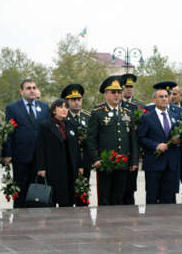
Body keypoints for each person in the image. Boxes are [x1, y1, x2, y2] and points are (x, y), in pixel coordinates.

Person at [87, 76, 138, 205]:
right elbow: (91, 138)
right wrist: (95, 158)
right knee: (104, 197)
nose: (117, 95)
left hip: (123, 162)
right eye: (113, 92)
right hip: (105, 163)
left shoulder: (127, 112)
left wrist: (134, 160)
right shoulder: (97, 113)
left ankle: (117, 223)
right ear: (105, 94)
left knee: (119, 196)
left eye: (119, 92)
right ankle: (103, 223)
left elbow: (132, 138)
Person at [3, 79, 50, 208]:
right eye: (28, 88)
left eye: (34, 88)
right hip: (21, 156)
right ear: (21, 91)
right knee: (21, 190)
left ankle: (38, 220)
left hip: (40, 157)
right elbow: (8, 132)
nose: (32, 90)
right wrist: (7, 154)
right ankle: (19, 220)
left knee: (39, 191)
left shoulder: (44, 107)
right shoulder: (12, 108)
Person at [36, 99, 83, 207]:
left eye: (66, 107)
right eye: (61, 107)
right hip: (52, 167)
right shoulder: (45, 126)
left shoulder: (71, 125)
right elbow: (40, 148)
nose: (64, 109)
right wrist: (41, 167)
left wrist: (80, 165)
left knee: (67, 198)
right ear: (53, 110)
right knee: (53, 197)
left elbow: (76, 147)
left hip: (69, 167)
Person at [138, 87, 181, 204]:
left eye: (166, 96)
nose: (164, 99)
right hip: (154, 164)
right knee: (152, 199)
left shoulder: (176, 116)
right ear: (154, 100)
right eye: (161, 97)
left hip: (171, 165)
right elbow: (141, 138)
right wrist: (155, 145)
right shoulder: (147, 118)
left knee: (169, 200)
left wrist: (179, 140)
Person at [62, 84, 92, 205]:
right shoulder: (63, 117)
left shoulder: (89, 117)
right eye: (73, 100)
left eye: (79, 99)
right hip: (68, 160)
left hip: (84, 160)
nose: (77, 103)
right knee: (69, 193)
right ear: (67, 101)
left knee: (83, 194)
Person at [120, 73, 145, 205]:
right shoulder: (117, 105)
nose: (129, 89)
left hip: (132, 152)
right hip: (119, 152)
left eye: (131, 87)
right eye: (126, 87)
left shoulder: (139, 106)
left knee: (130, 188)